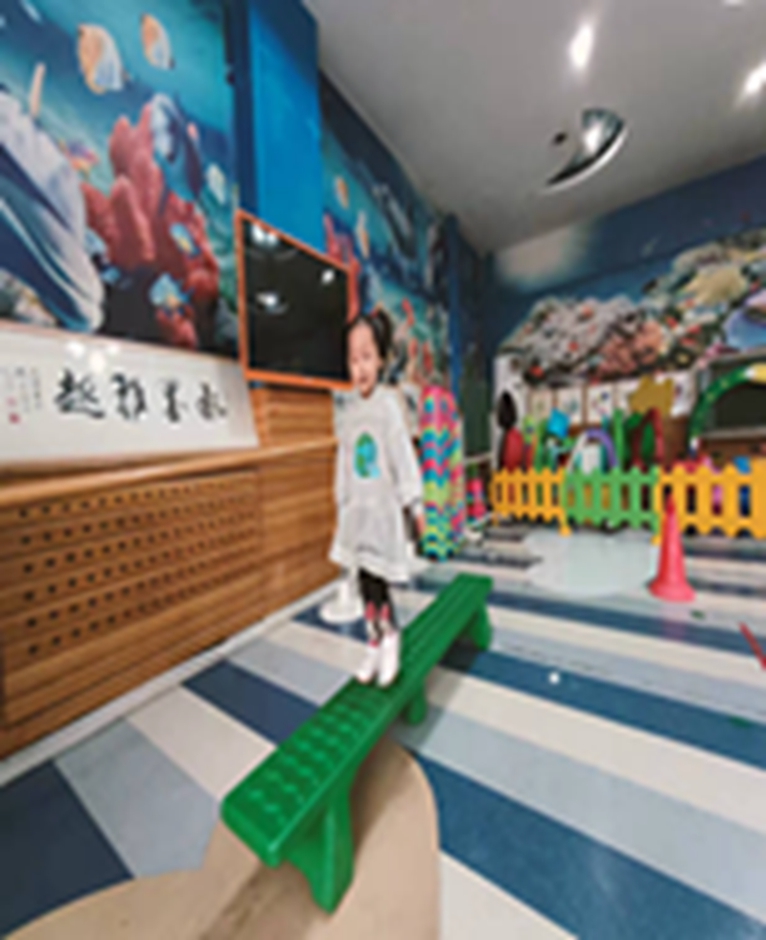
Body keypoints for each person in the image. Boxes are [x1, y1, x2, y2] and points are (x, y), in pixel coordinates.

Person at [331, 307, 424, 687]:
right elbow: (344, 459)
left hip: (382, 513)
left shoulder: (387, 407)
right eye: (353, 360)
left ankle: (391, 637)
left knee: (380, 583)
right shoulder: (350, 411)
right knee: (364, 583)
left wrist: (414, 504)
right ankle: (372, 641)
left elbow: (402, 455)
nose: (360, 368)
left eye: (367, 357)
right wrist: (341, 501)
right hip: (358, 515)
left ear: (381, 359)